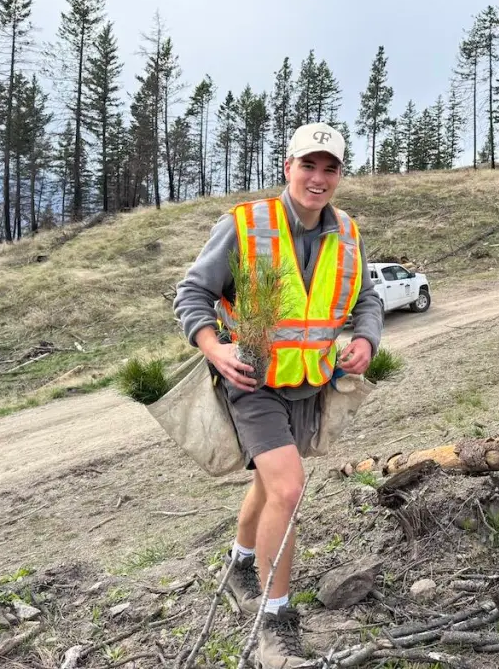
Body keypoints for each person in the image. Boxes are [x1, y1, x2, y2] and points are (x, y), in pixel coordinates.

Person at [173, 122, 384, 667]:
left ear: (339, 175)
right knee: (289, 489)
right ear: (287, 166)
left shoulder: (346, 232)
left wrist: (365, 338)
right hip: (252, 382)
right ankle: (275, 623)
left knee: (272, 487)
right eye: (308, 165)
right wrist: (214, 349)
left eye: (329, 168)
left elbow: (367, 298)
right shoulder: (245, 225)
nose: (318, 178)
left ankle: (240, 564)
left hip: (309, 384)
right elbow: (193, 293)